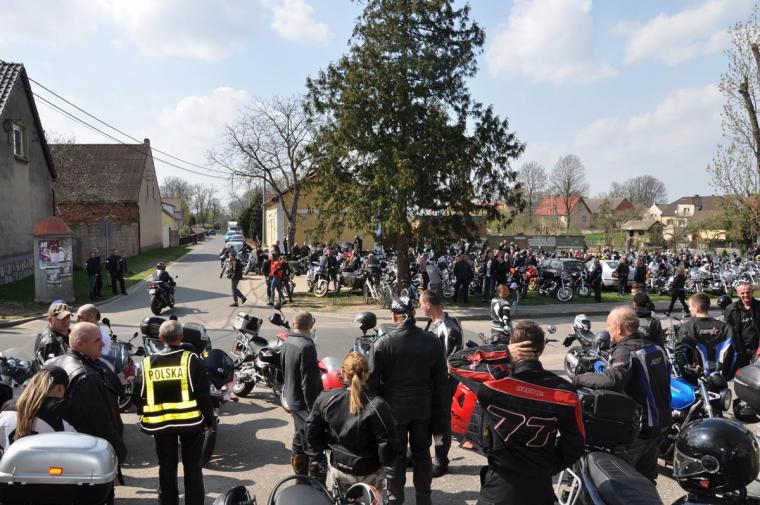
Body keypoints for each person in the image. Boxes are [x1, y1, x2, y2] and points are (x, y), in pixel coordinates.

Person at [450, 321, 585, 505]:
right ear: (542, 350)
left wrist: (504, 351)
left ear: (512, 344)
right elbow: (575, 444)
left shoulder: (494, 382)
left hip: (499, 486)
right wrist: (548, 467)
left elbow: (454, 361)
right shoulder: (564, 393)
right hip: (539, 486)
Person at [575, 307, 671, 482]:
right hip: (661, 423)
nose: (607, 330)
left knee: (621, 480)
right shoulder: (655, 347)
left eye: (609, 325)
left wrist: (579, 379)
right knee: (646, 478)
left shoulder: (626, 351)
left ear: (619, 328)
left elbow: (613, 379)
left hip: (641, 429)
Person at [368, 297, 448, 505]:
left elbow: (371, 385)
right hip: (423, 408)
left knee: (396, 457)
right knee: (422, 453)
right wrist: (441, 414)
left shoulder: (383, 343)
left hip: (394, 411)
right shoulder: (431, 340)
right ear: (412, 314)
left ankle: (395, 500)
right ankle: (424, 499)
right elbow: (441, 382)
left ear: (394, 316)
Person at [133, 320, 215, 505]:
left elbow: (137, 396)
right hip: (191, 423)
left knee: (167, 466)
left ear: (161, 338)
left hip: (161, 424)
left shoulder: (147, 363)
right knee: (193, 467)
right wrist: (210, 421)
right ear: (181, 337)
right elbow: (203, 394)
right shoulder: (191, 359)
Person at [306, 352, 398, 491]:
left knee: (340, 499)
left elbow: (311, 430)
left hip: (339, 466)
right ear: (367, 375)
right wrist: (386, 464)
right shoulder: (377, 405)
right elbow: (388, 443)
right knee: (372, 498)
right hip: (369, 470)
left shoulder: (326, 399)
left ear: (342, 373)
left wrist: (318, 456)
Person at [47, 322, 126, 464]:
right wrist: (118, 450)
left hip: (62, 447)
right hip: (88, 453)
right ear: (80, 344)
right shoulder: (86, 377)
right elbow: (100, 421)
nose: (102, 344)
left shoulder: (52, 364)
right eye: (97, 341)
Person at [420, 289, 463, 477]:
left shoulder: (449, 328)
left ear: (428, 304)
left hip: (442, 385)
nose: (420, 307)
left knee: (440, 423)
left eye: (421, 303)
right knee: (427, 420)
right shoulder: (432, 323)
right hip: (429, 383)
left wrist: (438, 387)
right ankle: (423, 455)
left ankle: (441, 460)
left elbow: (450, 364)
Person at [281, 311, 326, 479]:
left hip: (292, 398)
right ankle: (315, 483)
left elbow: (284, 370)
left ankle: (300, 476)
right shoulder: (306, 346)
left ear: (294, 324)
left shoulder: (287, 342)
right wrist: (315, 410)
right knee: (312, 444)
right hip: (304, 403)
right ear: (311, 324)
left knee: (299, 437)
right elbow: (309, 384)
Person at [0, 366, 75, 450]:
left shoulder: (7, 407)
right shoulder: (60, 408)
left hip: (9, 458)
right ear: (60, 388)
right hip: (50, 458)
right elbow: (76, 443)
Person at [676, 293, 738, 383]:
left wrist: (689, 377)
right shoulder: (725, 327)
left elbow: (680, 354)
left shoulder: (687, 327)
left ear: (696, 308)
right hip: (719, 378)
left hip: (697, 379)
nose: (689, 309)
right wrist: (727, 376)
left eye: (690, 306)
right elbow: (736, 353)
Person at [726, 281, 760, 366]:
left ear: (752, 292)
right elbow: (727, 330)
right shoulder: (731, 309)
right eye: (742, 293)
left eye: (748, 292)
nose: (746, 295)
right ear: (738, 294)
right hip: (739, 348)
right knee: (741, 372)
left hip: (757, 348)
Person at [33, 301, 73, 372]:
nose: (66, 321)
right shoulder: (50, 342)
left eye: (68, 316)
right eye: (61, 318)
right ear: (50, 320)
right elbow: (53, 372)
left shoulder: (70, 333)